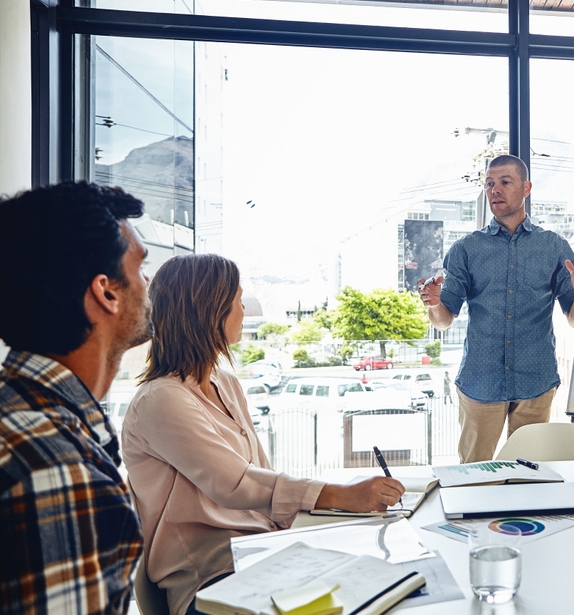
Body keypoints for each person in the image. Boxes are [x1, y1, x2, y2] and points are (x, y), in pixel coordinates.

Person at [121, 254, 405, 615]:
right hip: (211, 578)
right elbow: (236, 484)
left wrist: (319, 519)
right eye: (237, 301)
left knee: (385, 581)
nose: (245, 311)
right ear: (208, 311)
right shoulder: (161, 399)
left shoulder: (224, 383)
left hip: (263, 552)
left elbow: (261, 476)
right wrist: (340, 496)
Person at [0, 182, 150, 614]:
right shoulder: (56, 473)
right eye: (140, 267)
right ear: (106, 292)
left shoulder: (16, 417)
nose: (148, 282)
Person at [419, 155, 574, 463]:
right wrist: (434, 303)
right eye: (489, 184)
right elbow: (444, 320)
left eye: (504, 182)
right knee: (474, 476)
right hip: (481, 382)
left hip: (536, 382)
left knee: (528, 475)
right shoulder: (467, 249)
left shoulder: (553, 246)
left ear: (526, 188)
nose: (495, 190)